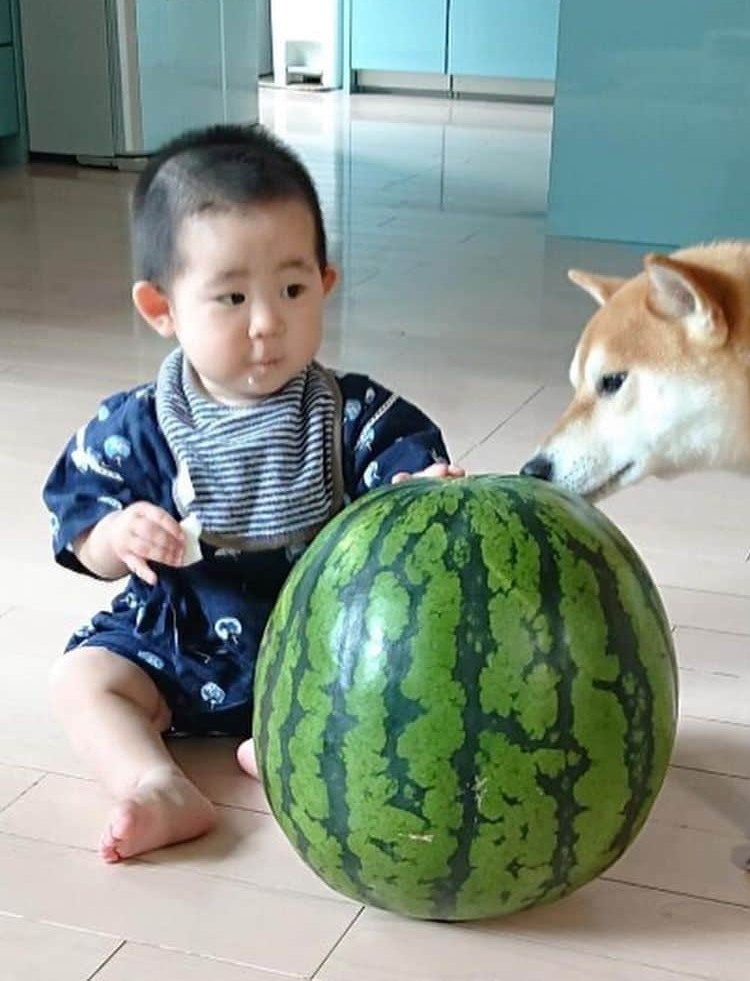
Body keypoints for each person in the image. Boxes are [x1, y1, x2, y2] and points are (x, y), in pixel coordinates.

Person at [43, 125, 462, 863]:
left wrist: (419, 490)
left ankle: (288, 759)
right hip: (178, 636)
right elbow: (82, 517)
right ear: (161, 309)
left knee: (398, 695)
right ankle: (155, 785)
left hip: (317, 643)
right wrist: (119, 537)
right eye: (231, 297)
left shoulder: (348, 412)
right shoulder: (140, 424)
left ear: (326, 285)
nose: (267, 323)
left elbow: (402, 471)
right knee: (82, 680)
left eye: (292, 290)